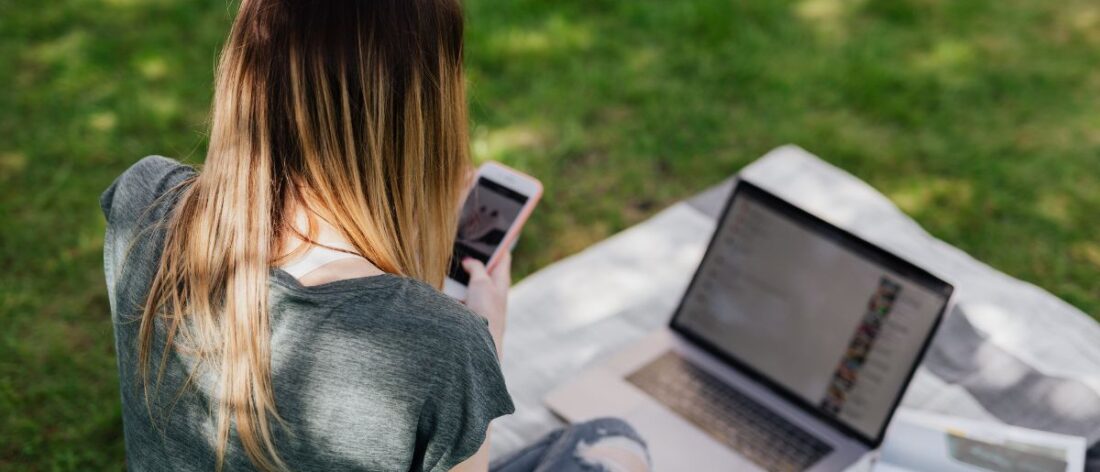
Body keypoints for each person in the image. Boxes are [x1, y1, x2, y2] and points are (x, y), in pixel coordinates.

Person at [99, 1, 650, 471]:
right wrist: (486, 333)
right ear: (424, 107)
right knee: (615, 444)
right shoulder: (440, 343)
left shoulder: (141, 202)